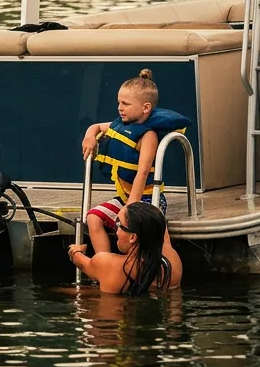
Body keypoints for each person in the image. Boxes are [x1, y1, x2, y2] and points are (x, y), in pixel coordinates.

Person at [81, 68, 190, 254]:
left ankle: (141, 264)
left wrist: (130, 209)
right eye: (118, 102)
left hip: (146, 200)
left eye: (125, 103)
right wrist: (89, 136)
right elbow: (96, 126)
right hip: (125, 198)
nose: (119, 108)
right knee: (93, 217)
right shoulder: (120, 126)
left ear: (145, 108)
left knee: (131, 228)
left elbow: (143, 172)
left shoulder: (148, 135)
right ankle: (104, 262)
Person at [67, 201, 183, 295]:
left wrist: (77, 249)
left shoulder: (109, 264)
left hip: (118, 316)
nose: (115, 230)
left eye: (118, 224)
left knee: (66, 291)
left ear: (132, 237)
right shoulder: (173, 262)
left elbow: (78, 259)